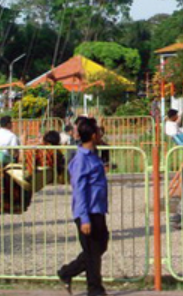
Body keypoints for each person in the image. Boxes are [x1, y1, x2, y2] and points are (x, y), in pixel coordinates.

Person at [58, 117, 109, 296]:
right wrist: (84, 218)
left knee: (100, 246)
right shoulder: (81, 160)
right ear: (93, 135)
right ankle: (95, 289)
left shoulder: (93, 155)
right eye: (98, 132)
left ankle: (67, 272)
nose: (101, 135)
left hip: (98, 209)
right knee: (92, 251)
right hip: (87, 211)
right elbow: (79, 190)